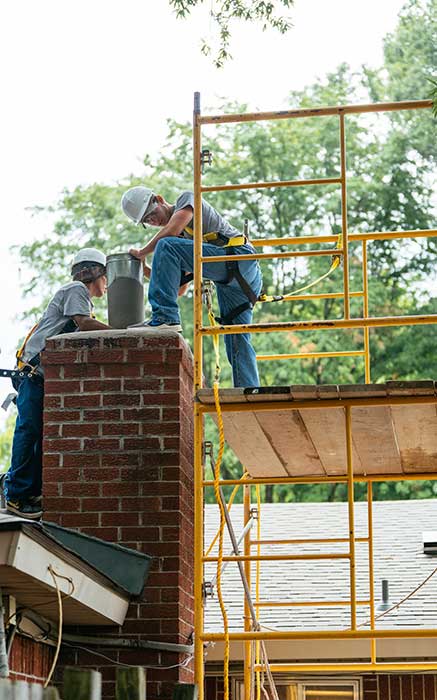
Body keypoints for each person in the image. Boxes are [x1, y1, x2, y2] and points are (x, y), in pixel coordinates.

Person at [2, 248, 111, 520]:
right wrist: (125, 331)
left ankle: (29, 490)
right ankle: (15, 494)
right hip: (32, 374)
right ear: (94, 272)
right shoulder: (77, 289)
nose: (107, 284)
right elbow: (84, 324)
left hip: (38, 376)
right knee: (29, 431)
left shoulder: (79, 295)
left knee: (39, 434)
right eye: (106, 277)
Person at [121, 187, 263, 388]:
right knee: (236, 338)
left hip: (239, 258)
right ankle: (249, 390)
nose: (152, 221)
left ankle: (164, 318)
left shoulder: (186, 199)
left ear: (159, 199)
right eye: (146, 221)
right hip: (233, 281)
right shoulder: (179, 245)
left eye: (151, 214)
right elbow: (178, 289)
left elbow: (171, 231)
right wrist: (145, 269)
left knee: (166, 244)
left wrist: (142, 252)